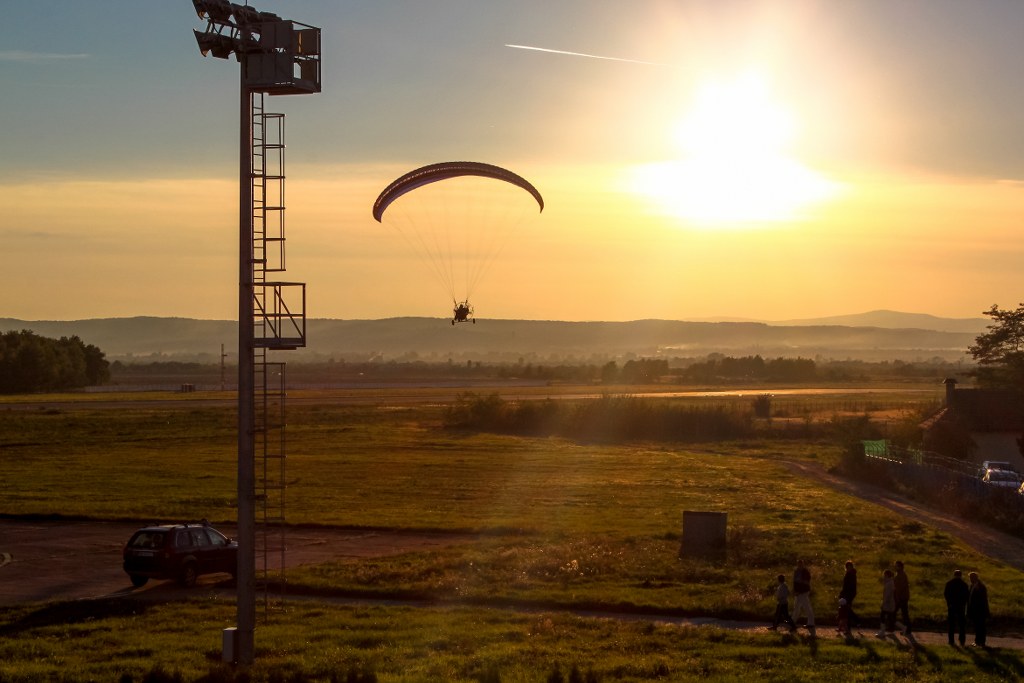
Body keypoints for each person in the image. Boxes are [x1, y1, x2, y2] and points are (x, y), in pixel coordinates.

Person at [944, 569, 969, 646]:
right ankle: (962, 640)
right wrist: (963, 604)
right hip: (961, 607)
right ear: (961, 575)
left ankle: (951, 640)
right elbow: (966, 596)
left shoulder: (949, 583)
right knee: (962, 625)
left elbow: (946, 594)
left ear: (954, 575)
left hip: (952, 606)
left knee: (951, 624)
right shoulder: (964, 584)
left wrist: (949, 603)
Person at [967, 572, 990, 648]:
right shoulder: (972, 586)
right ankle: (977, 641)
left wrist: (986, 612)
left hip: (980, 611)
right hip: (975, 611)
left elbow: (984, 600)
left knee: (981, 627)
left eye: (971, 578)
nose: (970, 579)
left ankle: (981, 642)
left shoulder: (981, 587)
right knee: (977, 627)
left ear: (974, 578)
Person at [792, 559, 815, 634]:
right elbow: (794, 582)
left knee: (806, 606)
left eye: (801, 564)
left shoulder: (805, 572)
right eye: (798, 564)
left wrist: (799, 590)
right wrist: (795, 590)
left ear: (803, 564)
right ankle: (793, 621)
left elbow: (806, 582)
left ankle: (811, 623)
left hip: (804, 592)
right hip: (798, 592)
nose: (799, 565)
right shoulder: (796, 571)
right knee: (796, 607)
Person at [839, 560, 859, 629]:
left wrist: (844, 594)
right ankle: (852, 623)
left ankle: (855, 621)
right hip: (848, 594)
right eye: (847, 567)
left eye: (849, 567)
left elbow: (849, 586)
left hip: (849, 594)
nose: (848, 568)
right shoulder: (850, 574)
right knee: (847, 609)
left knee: (847, 609)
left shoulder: (851, 574)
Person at [893, 560, 911, 634]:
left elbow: (900, 588)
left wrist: (897, 598)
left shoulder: (901, 575)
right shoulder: (900, 574)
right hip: (902, 597)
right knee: (904, 614)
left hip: (901, 598)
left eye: (897, 566)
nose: (895, 567)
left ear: (900, 567)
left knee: (894, 614)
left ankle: (905, 628)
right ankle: (907, 629)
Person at [877, 569, 896, 637]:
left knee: (882, 617)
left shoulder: (889, 583)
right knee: (889, 617)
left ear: (887, 575)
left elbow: (887, 595)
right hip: (889, 603)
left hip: (887, 604)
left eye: (884, 575)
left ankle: (882, 632)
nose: (883, 576)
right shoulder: (890, 582)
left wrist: (883, 603)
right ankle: (892, 630)